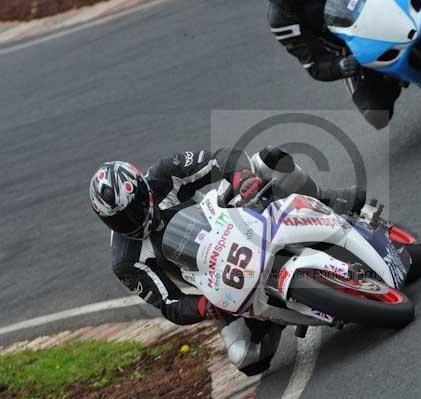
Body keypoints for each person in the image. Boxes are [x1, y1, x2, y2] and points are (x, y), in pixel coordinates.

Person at [89, 146, 365, 376]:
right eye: (119, 220)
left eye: (134, 207)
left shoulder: (164, 175)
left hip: (230, 218)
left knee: (267, 159)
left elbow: (221, 157)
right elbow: (170, 304)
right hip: (219, 281)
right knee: (246, 357)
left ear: (143, 189)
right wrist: (207, 307)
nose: (132, 221)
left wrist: (242, 180)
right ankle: (276, 315)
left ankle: (329, 198)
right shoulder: (126, 261)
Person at [267, 0, 403, 130]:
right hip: (354, 49)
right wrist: (340, 66)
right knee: (377, 115)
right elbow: (315, 63)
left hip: (380, 8)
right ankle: (394, 77)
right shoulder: (282, 19)